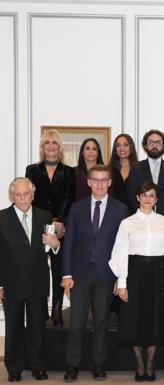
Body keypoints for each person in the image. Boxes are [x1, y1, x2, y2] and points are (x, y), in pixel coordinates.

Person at [61, 165, 128, 381]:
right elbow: (69, 242)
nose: (99, 184)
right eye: (95, 179)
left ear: (110, 182)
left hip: (106, 274)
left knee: (101, 321)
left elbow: (124, 246)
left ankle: (99, 364)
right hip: (79, 274)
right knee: (77, 322)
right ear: (88, 182)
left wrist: (120, 277)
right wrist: (66, 274)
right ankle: (72, 365)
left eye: (103, 180)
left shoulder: (120, 209)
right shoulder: (76, 208)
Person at [109, 181, 164, 382]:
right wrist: (121, 282)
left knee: (155, 318)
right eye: (144, 195)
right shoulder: (127, 223)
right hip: (134, 272)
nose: (148, 198)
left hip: (158, 273)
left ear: (156, 199)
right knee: (133, 318)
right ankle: (139, 364)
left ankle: (150, 364)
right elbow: (120, 252)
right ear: (137, 198)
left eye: (152, 195)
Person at [0, 177, 60, 382]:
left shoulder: (45, 216)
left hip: (38, 281)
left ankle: (38, 366)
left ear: (33, 195)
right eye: (18, 194)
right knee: (13, 327)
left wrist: (55, 244)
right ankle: (14, 368)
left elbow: (52, 249)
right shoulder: (1, 218)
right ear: (12, 196)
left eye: (26, 194)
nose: (23, 198)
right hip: (11, 282)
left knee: (38, 327)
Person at [26, 129, 75, 327]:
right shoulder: (32, 170)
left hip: (60, 226)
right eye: (47, 143)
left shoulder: (69, 171)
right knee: (37, 269)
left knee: (58, 270)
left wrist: (58, 222)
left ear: (59, 147)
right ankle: (39, 312)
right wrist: (45, 221)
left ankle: (56, 312)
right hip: (37, 225)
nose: (51, 146)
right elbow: (31, 197)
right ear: (42, 147)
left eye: (54, 143)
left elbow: (69, 198)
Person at [126, 129, 164, 228]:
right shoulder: (136, 167)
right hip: (140, 221)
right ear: (145, 146)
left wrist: (160, 215)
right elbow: (131, 195)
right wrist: (144, 213)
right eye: (151, 143)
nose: (154, 146)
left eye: (158, 143)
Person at [109, 133, 139, 208]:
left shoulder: (140, 169)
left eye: (126, 145)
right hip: (114, 212)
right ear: (115, 149)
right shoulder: (108, 170)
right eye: (118, 145)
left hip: (135, 214)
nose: (121, 148)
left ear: (131, 148)